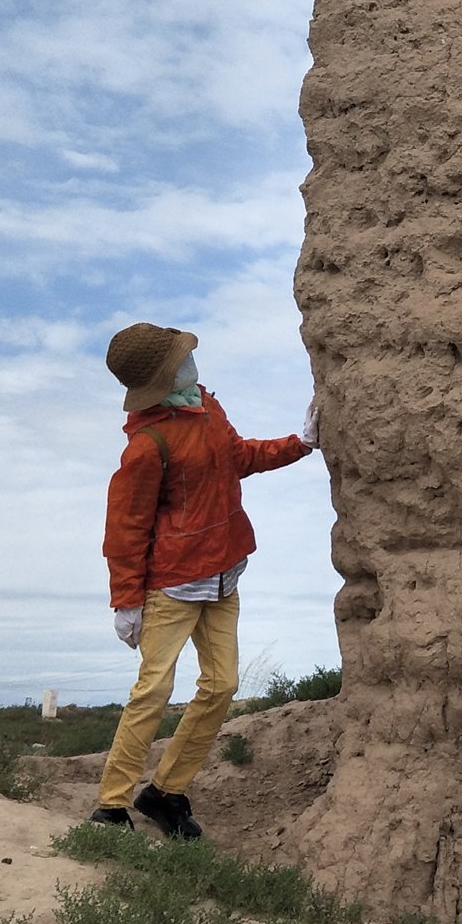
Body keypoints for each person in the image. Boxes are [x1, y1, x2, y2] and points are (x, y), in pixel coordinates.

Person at [92, 322, 320, 837]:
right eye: (180, 361)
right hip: (172, 586)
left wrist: (300, 444)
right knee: (153, 691)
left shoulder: (208, 407)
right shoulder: (147, 445)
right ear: (162, 378)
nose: (191, 363)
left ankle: (166, 793)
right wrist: (126, 601)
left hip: (223, 575)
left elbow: (239, 458)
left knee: (222, 686)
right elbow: (125, 528)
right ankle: (111, 806)